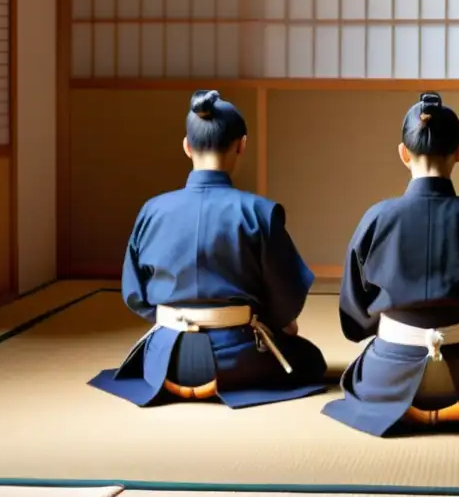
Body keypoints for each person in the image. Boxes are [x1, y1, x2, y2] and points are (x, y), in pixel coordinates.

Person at [88, 89, 328, 408]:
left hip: (165, 358)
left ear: (187, 146)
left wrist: (175, 315)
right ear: (241, 145)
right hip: (240, 359)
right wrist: (277, 321)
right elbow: (286, 300)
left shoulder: (152, 210)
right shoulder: (259, 212)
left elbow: (135, 295)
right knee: (309, 358)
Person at [321, 92, 459, 437]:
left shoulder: (377, 218)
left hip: (388, 374)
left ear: (404, 153)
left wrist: (380, 325)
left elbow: (354, 313)